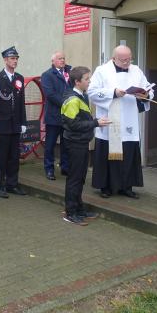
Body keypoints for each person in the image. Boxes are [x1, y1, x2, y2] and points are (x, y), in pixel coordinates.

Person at [88, 45, 153, 199]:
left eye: (129, 59)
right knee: (107, 154)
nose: (127, 63)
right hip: (110, 121)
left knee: (129, 154)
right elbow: (91, 91)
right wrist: (113, 92)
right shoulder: (102, 70)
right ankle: (106, 187)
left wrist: (145, 94)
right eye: (123, 60)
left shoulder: (136, 70)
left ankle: (126, 186)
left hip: (129, 120)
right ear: (114, 58)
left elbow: (149, 88)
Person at [61, 67, 110, 225]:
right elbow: (73, 124)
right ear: (77, 82)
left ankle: (79, 208)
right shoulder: (72, 99)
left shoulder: (83, 95)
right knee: (74, 178)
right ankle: (70, 212)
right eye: (87, 79)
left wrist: (94, 122)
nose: (90, 81)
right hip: (75, 143)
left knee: (81, 178)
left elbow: (82, 118)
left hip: (82, 142)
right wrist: (96, 123)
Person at [0, 46, 27, 198]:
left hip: (15, 124)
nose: (15, 61)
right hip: (2, 124)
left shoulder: (19, 78)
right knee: (1, 157)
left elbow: (21, 102)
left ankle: (12, 184)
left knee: (14, 156)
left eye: (16, 58)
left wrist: (23, 122)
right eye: (12, 58)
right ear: (5, 60)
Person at [40, 51, 72, 180]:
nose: (63, 60)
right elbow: (50, 94)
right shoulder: (47, 75)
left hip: (68, 116)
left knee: (66, 143)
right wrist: (67, 103)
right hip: (54, 116)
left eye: (64, 58)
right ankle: (49, 169)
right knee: (50, 144)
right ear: (53, 61)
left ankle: (65, 167)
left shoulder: (70, 72)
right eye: (59, 59)